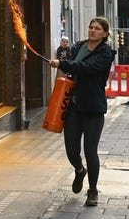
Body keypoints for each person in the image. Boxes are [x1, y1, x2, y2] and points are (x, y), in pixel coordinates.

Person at [48, 17, 115, 207]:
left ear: (105, 33)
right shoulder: (79, 46)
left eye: (97, 28)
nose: (92, 30)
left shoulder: (106, 53)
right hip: (74, 106)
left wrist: (62, 64)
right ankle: (79, 170)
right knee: (71, 150)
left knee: (90, 150)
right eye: (90, 27)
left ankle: (92, 191)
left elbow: (87, 68)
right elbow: (70, 63)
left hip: (93, 108)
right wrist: (62, 64)